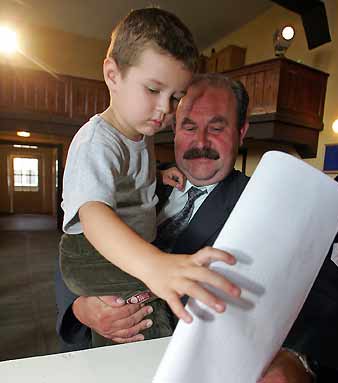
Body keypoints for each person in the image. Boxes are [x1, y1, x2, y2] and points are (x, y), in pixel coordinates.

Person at [56, 74, 338, 382]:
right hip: (105, 364)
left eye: (217, 127)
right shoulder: (136, 184)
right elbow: (77, 245)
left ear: (241, 131)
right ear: (174, 128)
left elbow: (333, 305)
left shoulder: (271, 204)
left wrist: (295, 362)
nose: (201, 142)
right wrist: (80, 309)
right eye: (189, 126)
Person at [59, 8, 240, 347]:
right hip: (90, 251)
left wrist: (158, 174)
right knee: (147, 314)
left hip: (114, 249)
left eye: (174, 98)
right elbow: (94, 214)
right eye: (153, 90)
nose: (164, 110)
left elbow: (124, 181)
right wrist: (154, 266)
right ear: (113, 74)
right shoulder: (95, 141)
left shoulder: (140, 132)